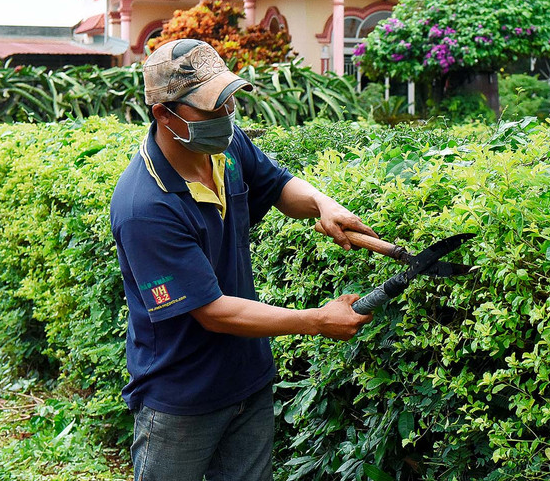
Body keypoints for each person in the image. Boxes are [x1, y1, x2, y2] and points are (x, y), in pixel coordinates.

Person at [110, 38, 375, 481]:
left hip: (248, 380)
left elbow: (278, 185)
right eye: (211, 109)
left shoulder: (223, 150)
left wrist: (323, 204)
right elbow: (212, 312)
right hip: (182, 397)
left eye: (228, 102)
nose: (226, 118)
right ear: (164, 114)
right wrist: (317, 320)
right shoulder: (146, 206)